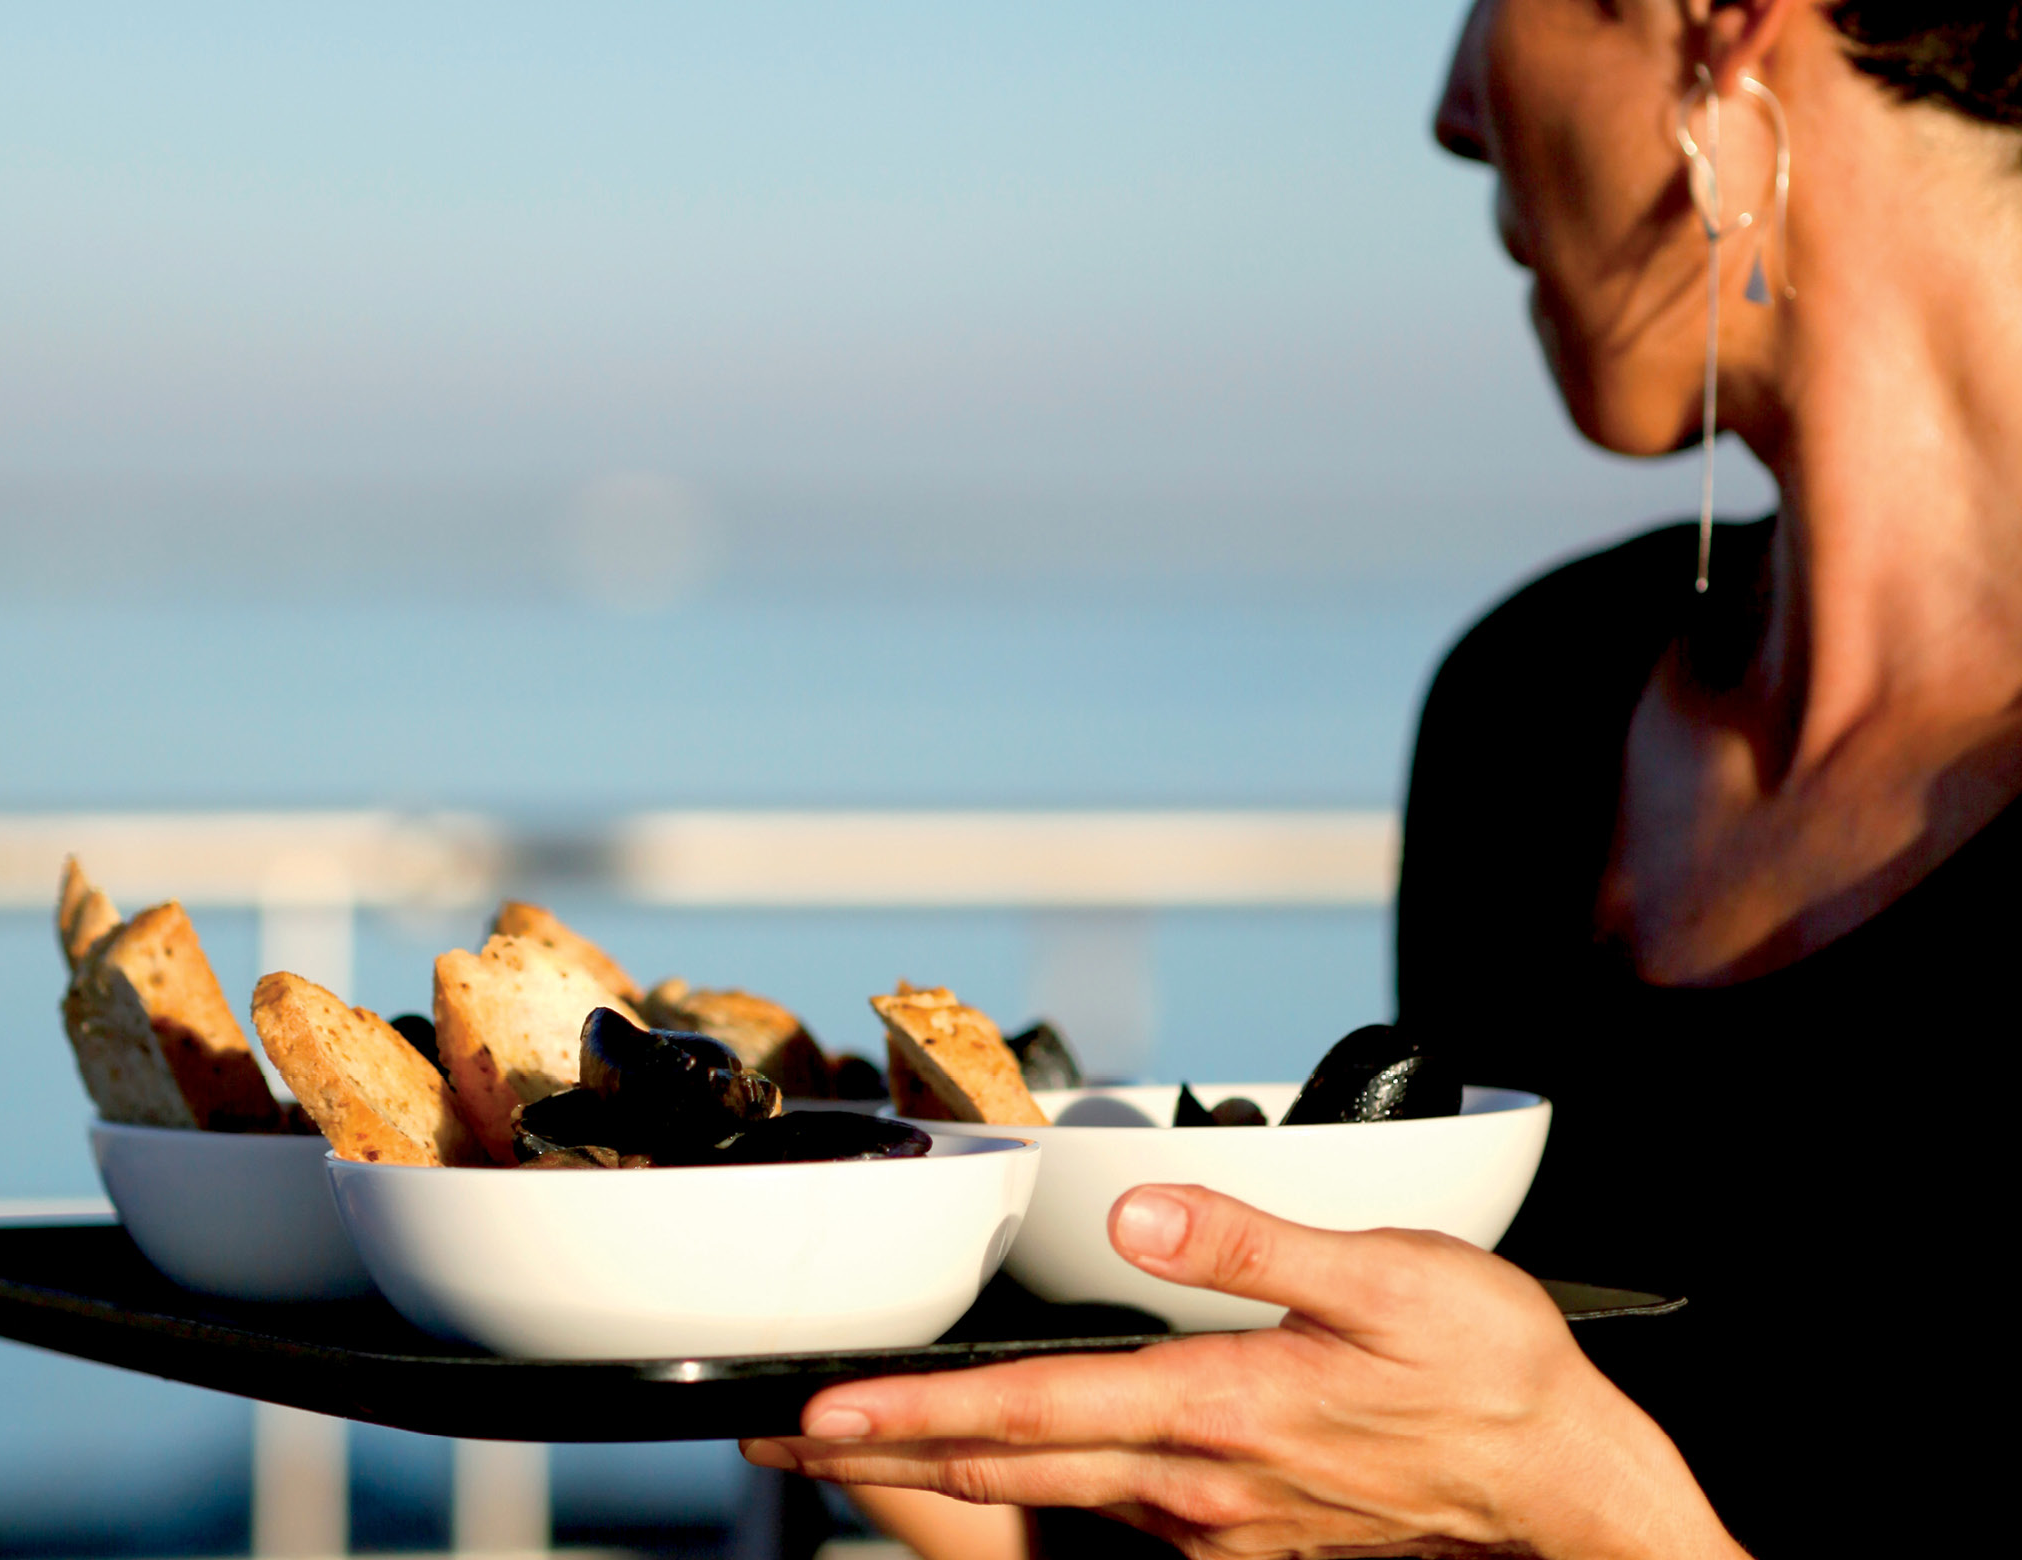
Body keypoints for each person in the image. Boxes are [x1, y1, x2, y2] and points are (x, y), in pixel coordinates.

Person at [741, 1, 2022, 1553]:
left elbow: (1516, 1486)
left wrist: (1584, 1510)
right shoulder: (1533, 701)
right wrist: (923, 1422)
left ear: (1725, 22)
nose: (1452, 108)